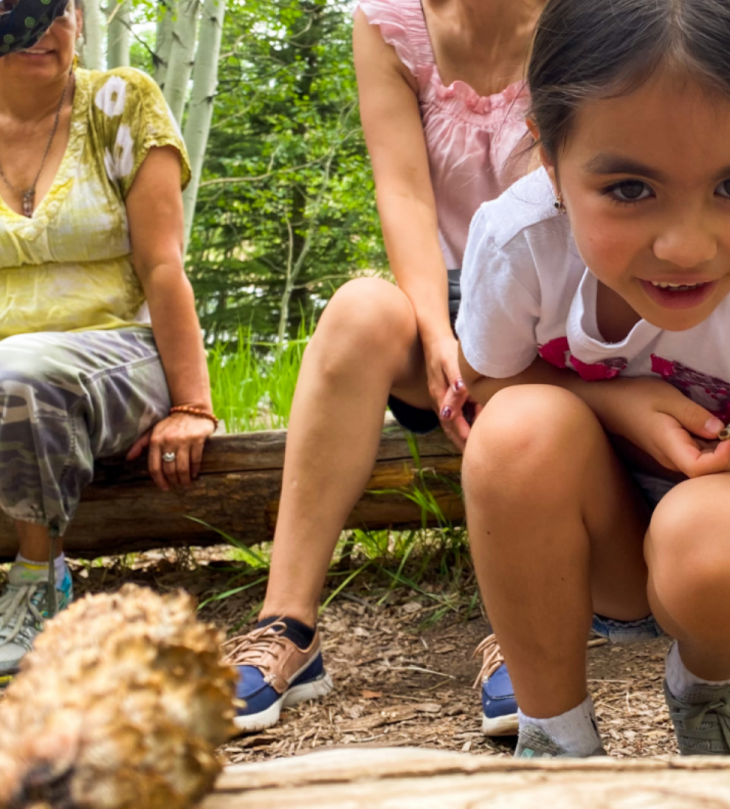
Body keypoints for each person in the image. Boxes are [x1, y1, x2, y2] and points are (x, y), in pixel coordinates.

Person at [456, 0, 730, 757]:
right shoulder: (518, 241)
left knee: (708, 546)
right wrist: (613, 401)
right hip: (597, 535)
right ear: (550, 158)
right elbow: (484, 384)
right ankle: (553, 737)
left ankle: (711, 684)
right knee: (513, 432)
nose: (685, 247)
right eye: (628, 189)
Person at [220, 0, 544, 733]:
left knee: (517, 347)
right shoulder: (389, 22)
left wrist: (497, 341)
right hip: (444, 288)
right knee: (357, 311)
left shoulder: (583, 20)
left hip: (558, 294)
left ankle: (527, 636)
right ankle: (287, 626)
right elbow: (402, 191)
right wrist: (436, 332)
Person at [0, 0, 214, 683]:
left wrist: (194, 404)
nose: (42, 29)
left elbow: (162, 266)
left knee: (19, 374)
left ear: (82, 22)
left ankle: (40, 577)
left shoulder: (121, 104)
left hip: (115, 352)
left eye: (58, 10)